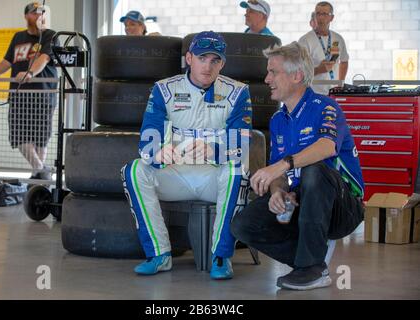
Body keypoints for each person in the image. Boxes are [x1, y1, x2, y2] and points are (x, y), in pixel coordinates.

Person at [231, 42, 364, 291]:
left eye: (273, 72)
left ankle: (311, 266)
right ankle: (311, 262)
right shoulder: (277, 119)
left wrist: (282, 166)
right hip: (305, 202)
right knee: (242, 224)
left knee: (315, 170)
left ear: (297, 76)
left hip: (344, 208)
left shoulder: (325, 106)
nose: (266, 78)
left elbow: (327, 147)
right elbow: (278, 176)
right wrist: (277, 192)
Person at [121, 31, 252, 280]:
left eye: (216, 60)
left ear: (222, 63)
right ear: (189, 58)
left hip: (214, 175)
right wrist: (158, 153)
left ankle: (221, 256)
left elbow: (241, 145)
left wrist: (214, 151)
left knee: (237, 172)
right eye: (203, 58)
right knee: (134, 170)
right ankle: (159, 254)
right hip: (176, 173)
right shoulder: (164, 89)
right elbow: (147, 138)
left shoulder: (238, 92)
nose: (208, 66)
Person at [0, 2, 57, 180]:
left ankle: (38, 176)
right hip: (19, 94)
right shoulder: (18, 37)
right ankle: (40, 169)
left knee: (41, 136)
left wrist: (30, 72)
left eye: (42, 13)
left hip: (43, 94)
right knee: (19, 133)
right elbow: (7, 62)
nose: (39, 16)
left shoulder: (50, 35)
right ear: (26, 16)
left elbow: (44, 59)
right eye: (34, 13)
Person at [298, 1, 348, 95]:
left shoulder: (338, 38)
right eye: (318, 14)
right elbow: (298, 72)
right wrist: (318, 70)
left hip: (334, 94)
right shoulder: (305, 40)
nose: (320, 17)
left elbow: (344, 61)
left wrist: (340, 84)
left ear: (331, 18)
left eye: (324, 14)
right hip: (313, 93)